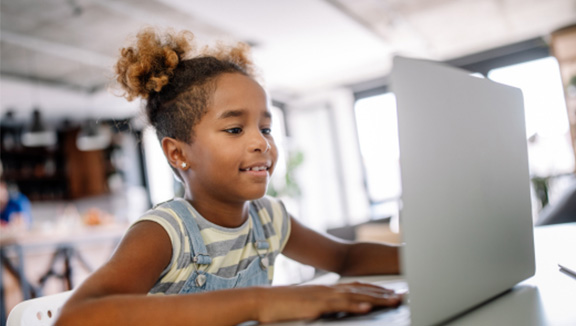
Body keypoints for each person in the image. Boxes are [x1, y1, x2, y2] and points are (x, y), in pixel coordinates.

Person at [57, 27, 402, 326]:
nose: (261, 142)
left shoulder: (268, 219)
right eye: (235, 129)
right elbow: (77, 317)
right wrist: (259, 302)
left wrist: (433, 255)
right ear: (178, 153)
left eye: (266, 128)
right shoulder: (164, 233)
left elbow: (346, 259)